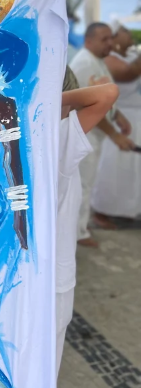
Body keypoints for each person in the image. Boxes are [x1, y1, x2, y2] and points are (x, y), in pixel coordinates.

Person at [56, 68, 118, 373]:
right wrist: (50, 97)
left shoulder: (46, 137)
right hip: (53, 278)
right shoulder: (57, 139)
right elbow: (107, 94)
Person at [70, 22, 134, 246]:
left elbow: (104, 96)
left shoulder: (97, 61)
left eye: (110, 38)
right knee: (82, 185)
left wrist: (118, 116)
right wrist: (115, 135)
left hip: (93, 133)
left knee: (87, 182)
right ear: (88, 41)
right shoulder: (84, 63)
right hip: (85, 133)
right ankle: (77, 233)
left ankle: (80, 227)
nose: (110, 43)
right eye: (104, 39)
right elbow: (87, 106)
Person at [91, 23, 141, 221]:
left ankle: (129, 210)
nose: (129, 34)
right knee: (116, 168)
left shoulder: (131, 55)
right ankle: (103, 211)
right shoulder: (110, 59)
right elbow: (128, 74)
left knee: (133, 170)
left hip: (136, 117)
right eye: (124, 31)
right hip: (122, 118)